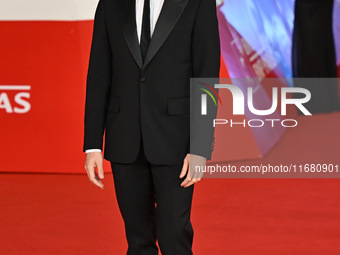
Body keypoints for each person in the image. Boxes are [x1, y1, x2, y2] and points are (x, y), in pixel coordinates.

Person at [83, 0, 220, 254]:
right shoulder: (110, 4)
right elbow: (98, 73)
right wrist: (92, 144)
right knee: (137, 239)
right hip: (124, 137)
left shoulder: (197, 3)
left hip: (176, 140)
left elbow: (206, 75)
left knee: (174, 235)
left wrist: (200, 145)